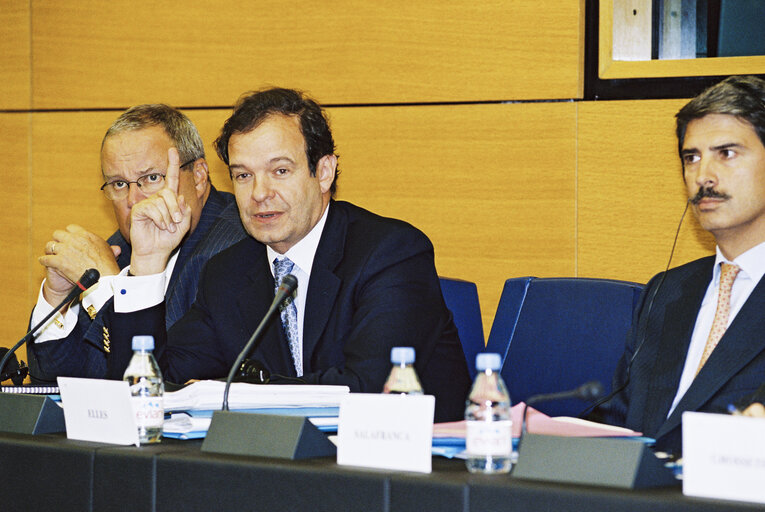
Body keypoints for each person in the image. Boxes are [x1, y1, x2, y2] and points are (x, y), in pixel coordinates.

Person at [106, 88, 471, 421]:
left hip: (406, 475)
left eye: (280, 171)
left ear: (323, 172)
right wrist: (148, 264)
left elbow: (367, 389)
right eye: (243, 176)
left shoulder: (390, 253)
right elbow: (145, 389)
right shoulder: (228, 274)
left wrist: (242, 392)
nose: (260, 193)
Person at [602, 75, 765, 454]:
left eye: (726, 153)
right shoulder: (666, 291)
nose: (703, 176)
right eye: (691, 157)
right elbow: (618, 421)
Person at [27, 105, 247, 382]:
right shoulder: (118, 250)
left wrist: (107, 287)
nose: (133, 200)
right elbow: (54, 381)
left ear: (200, 176)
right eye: (119, 184)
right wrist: (57, 299)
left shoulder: (238, 244)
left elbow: (161, 373)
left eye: (151, 178)